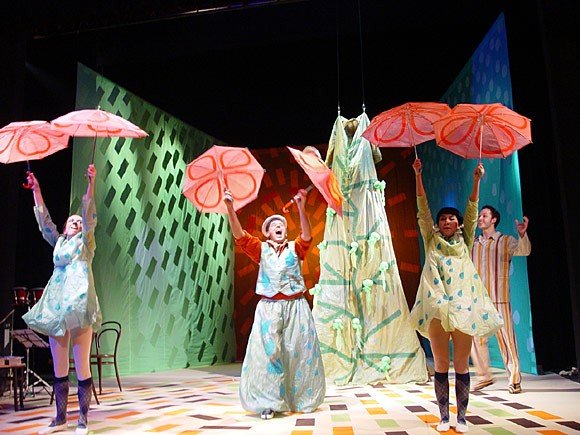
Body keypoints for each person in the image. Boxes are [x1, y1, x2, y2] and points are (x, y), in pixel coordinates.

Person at [409, 158, 503, 433]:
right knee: (441, 364)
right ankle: (443, 417)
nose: (446, 221)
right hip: (438, 311)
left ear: (459, 224)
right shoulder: (431, 240)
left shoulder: (465, 239)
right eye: (443, 218)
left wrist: (476, 180)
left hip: (463, 309)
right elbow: (422, 209)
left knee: (461, 365)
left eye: (451, 218)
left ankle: (461, 418)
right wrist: (418, 175)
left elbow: (472, 209)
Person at [223, 188, 325, 419]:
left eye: (282, 225)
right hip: (268, 307)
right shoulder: (260, 249)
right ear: (267, 232)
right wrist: (230, 208)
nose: (279, 226)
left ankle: (299, 398)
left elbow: (307, 235)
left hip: (296, 306)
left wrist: (301, 207)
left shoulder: (294, 248)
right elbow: (239, 236)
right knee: (268, 353)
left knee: (298, 351)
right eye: (274, 225)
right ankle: (268, 402)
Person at [22, 164, 102, 435]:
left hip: (79, 307)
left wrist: (91, 183)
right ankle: (60, 419)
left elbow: (89, 216)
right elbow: (44, 222)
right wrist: (36, 190)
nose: (76, 222)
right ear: (65, 228)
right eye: (71, 221)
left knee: (82, 366)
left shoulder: (86, 245)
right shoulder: (58, 243)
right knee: (59, 367)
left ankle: (83, 420)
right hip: (56, 308)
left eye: (78, 221)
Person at [470, 205, 531, 394]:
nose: (480, 218)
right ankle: (484, 376)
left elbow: (524, 251)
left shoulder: (505, 241)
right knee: (476, 338)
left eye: (484, 215)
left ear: (494, 219)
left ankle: (514, 378)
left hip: (499, 297)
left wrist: (522, 235)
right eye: (480, 216)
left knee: (507, 339)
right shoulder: (474, 243)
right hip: (479, 299)